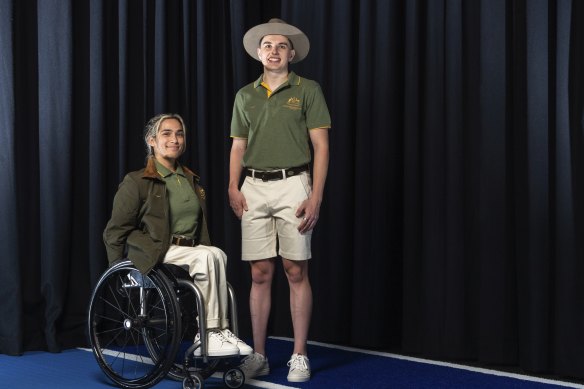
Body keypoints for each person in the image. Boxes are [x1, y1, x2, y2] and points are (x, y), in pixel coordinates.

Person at [228, 19, 331, 383]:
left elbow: (321, 145)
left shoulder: (307, 90)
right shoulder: (245, 95)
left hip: (294, 184)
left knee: (295, 270)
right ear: (259, 52)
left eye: (281, 46)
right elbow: (238, 145)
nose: (274, 51)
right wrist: (232, 185)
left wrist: (315, 195)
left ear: (291, 54)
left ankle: (299, 355)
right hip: (253, 186)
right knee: (259, 273)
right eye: (267, 45)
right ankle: (258, 355)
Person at [103, 113, 252, 358]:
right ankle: (208, 332)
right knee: (205, 258)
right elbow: (115, 230)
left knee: (217, 254)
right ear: (151, 141)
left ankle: (220, 330)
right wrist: (117, 270)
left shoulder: (190, 179)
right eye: (167, 133)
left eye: (179, 133)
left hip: (188, 249)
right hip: (156, 248)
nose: (175, 139)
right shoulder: (137, 181)